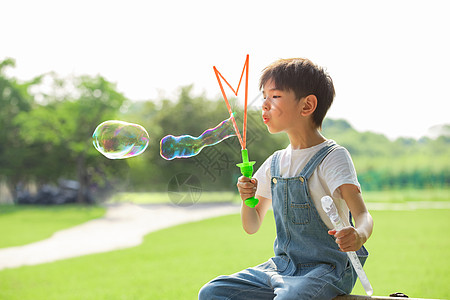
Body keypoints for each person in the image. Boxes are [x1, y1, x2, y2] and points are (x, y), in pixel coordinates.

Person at [199, 58, 374, 300]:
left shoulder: (333, 157)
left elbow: (363, 215)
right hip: (281, 268)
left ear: (307, 105)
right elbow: (252, 225)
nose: (264, 105)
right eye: (263, 97)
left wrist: (359, 235)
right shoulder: (274, 162)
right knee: (213, 293)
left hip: (327, 270)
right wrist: (246, 200)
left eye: (275, 97)